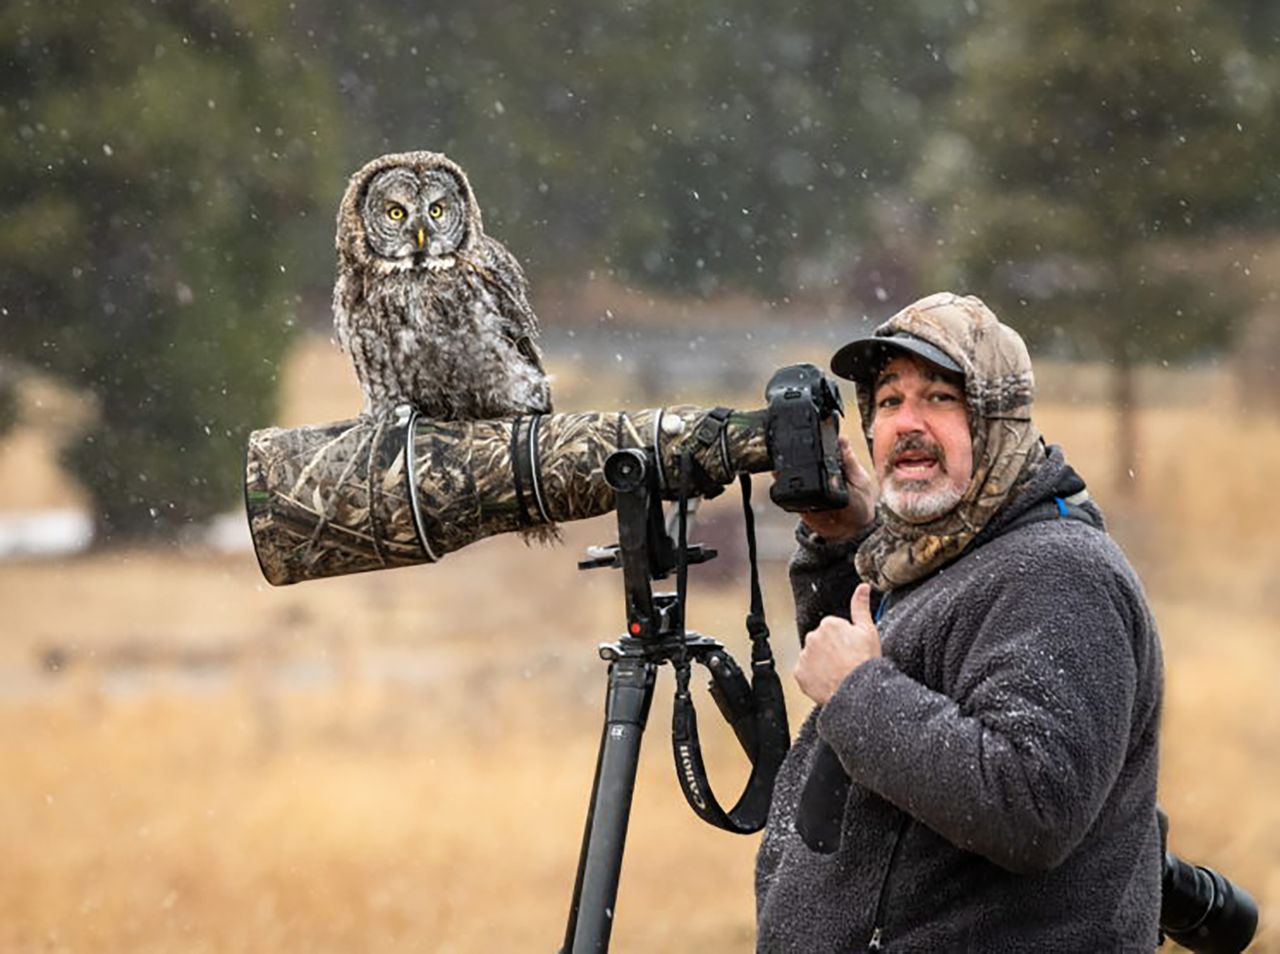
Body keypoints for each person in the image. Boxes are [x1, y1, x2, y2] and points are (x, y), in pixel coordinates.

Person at [755, 292, 1164, 952]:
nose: (907, 423)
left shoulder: (1058, 572)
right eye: (888, 402)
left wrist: (858, 695)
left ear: (997, 419)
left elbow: (1032, 805)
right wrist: (845, 545)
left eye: (940, 398)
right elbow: (899, 709)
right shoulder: (945, 553)